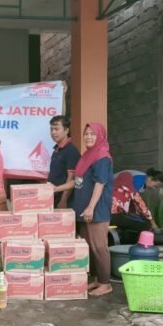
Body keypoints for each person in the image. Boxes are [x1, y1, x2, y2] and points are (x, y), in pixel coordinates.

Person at [51, 122, 114, 297]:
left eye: (93, 134)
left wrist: (91, 207)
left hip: (96, 210)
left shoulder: (102, 157)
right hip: (83, 209)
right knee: (88, 247)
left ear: (100, 136)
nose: (88, 137)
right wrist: (57, 189)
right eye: (86, 134)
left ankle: (105, 283)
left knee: (99, 247)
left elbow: (100, 184)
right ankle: (96, 279)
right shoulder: (87, 156)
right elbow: (77, 181)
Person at [47, 115, 80, 209]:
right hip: (54, 198)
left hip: (65, 201)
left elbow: (72, 178)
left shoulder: (71, 151)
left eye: (56, 129)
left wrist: (63, 200)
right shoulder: (56, 150)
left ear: (66, 130)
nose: (53, 132)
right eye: (51, 129)